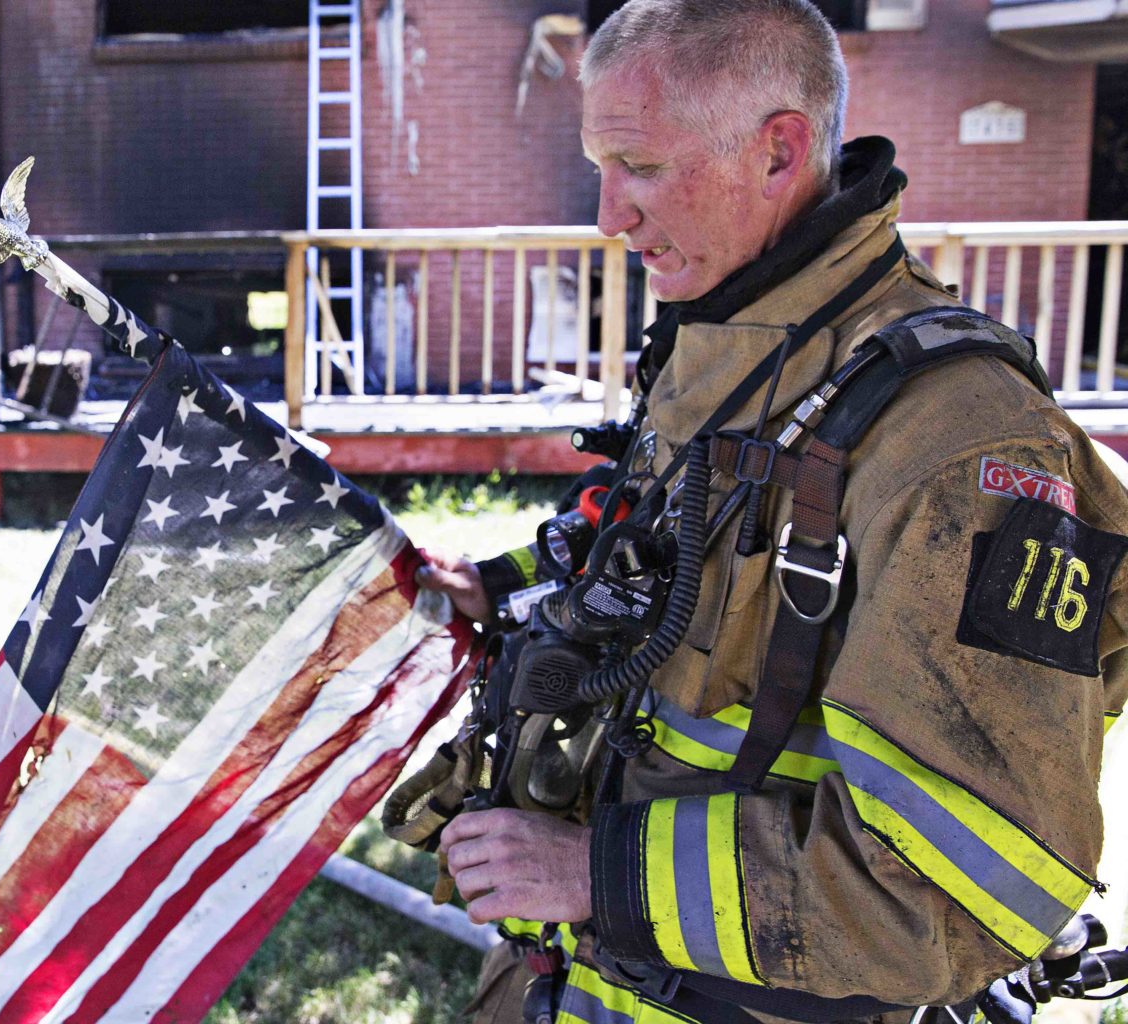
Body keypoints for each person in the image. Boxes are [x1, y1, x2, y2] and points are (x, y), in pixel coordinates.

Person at [412, 2, 1128, 1022]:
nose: (608, 216)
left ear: (779, 151)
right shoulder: (734, 333)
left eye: (640, 166)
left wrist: (594, 873)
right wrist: (501, 585)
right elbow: (674, 545)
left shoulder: (961, 442)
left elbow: (961, 895)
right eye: (599, 166)